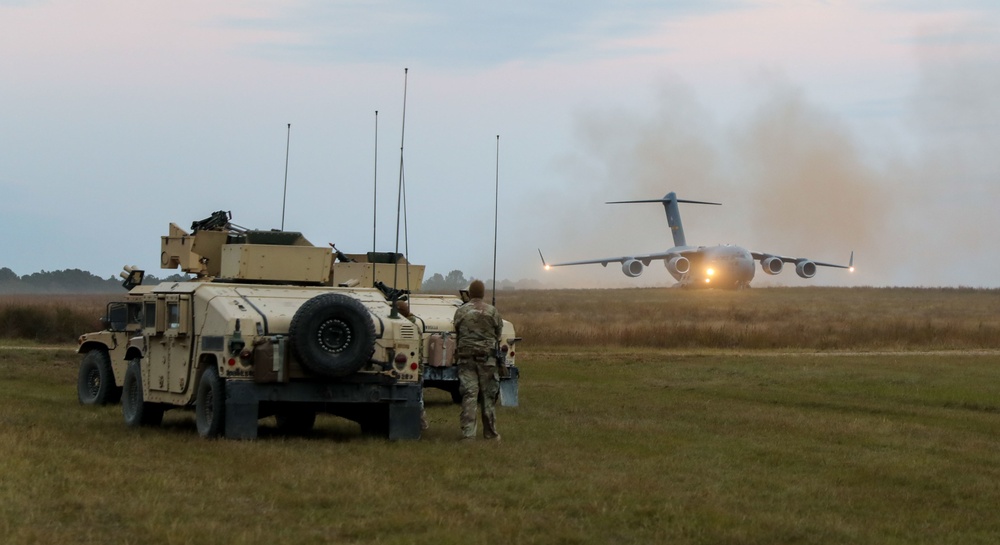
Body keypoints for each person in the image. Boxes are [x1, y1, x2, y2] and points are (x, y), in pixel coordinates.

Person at [452, 279, 504, 441]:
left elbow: (457, 331)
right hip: (487, 361)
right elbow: (498, 334)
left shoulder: (460, 311)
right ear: (483, 293)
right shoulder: (492, 311)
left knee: (469, 395)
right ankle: (490, 433)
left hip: (466, 361)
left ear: (470, 293)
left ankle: (468, 434)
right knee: (488, 397)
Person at [395, 299, 428, 430]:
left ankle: (421, 424)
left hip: (413, 370)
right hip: (417, 369)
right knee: (417, 397)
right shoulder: (414, 326)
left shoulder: (407, 327)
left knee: (416, 398)